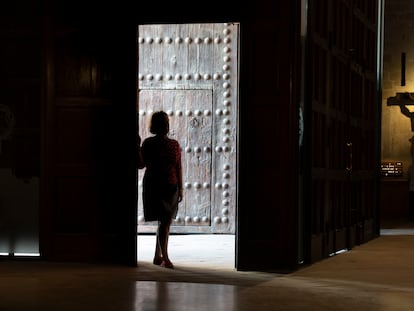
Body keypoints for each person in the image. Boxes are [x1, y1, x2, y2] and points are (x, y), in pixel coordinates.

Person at [137, 111, 183, 268]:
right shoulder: (172, 144)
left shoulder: (150, 143)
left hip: (162, 186)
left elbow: (141, 164)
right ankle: (166, 257)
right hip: (166, 186)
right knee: (165, 222)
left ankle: (158, 256)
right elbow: (178, 168)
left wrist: (181, 189)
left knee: (164, 222)